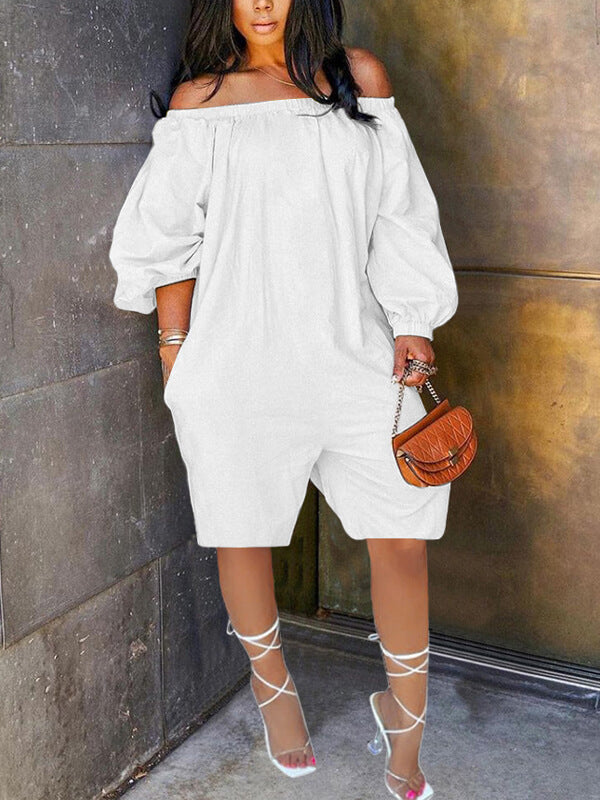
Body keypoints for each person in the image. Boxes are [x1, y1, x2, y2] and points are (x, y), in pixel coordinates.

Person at [108, 1, 459, 798]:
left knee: (403, 534)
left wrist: (413, 321)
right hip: (237, 364)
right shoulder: (201, 99)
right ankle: (276, 693)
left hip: (358, 355)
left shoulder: (356, 79)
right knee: (243, 531)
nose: (262, 2)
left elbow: (401, 213)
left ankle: (406, 725)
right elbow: (168, 238)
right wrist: (176, 357)